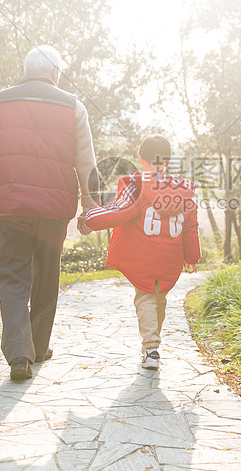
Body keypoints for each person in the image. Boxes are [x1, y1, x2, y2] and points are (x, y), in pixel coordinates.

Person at [0, 45, 98, 381]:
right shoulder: (74, 106)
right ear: (55, 72)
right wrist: (91, 206)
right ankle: (38, 347)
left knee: (12, 275)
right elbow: (86, 162)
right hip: (54, 207)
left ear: (25, 70)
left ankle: (19, 354)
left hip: (9, 204)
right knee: (47, 272)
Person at [78, 134, 200, 370]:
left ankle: (151, 348)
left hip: (142, 256)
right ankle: (152, 347)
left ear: (140, 158)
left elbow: (119, 212)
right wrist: (192, 257)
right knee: (159, 298)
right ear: (167, 161)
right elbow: (190, 226)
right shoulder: (181, 190)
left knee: (145, 296)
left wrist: (90, 218)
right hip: (169, 258)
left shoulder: (135, 185)